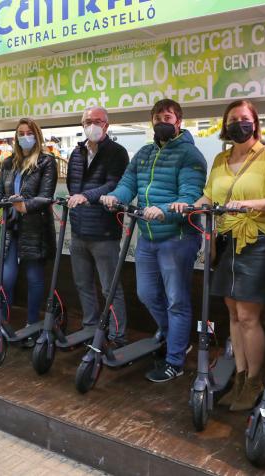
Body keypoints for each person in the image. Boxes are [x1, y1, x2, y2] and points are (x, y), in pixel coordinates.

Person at [173, 100, 265, 410]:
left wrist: (251, 204)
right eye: (233, 119)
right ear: (226, 125)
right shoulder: (220, 159)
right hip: (225, 241)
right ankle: (239, 377)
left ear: (254, 122)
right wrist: (189, 205)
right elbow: (210, 195)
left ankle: (255, 381)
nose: (239, 123)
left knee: (249, 317)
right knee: (233, 315)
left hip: (258, 241)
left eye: (244, 118)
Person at [100, 99, 207, 383]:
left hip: (177, 237)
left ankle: (175, 359)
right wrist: (116, 197)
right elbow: (128, 184)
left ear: (178, 121)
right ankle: (174, 336)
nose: (162, 120)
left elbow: (190, 195)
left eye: (168, 116)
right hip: (147, 235)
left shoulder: (190, 155)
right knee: (146, 293)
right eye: (157, 116)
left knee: (176, 301)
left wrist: (166, 209)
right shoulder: (145, 153)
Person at [0, 117, 58, 345]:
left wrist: (26, 205)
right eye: (21, 133)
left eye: (29, 132)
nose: (24, 136)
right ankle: (3, 324)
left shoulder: (46, 162)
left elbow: (46, 196)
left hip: (34, 228)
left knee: (33, 277)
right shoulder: (9, 163)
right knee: (6, 279)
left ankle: (32, 325)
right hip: (12, 226)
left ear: (36, 135)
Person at [66, 107, 129, 345]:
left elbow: (114, 184)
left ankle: (117, 334)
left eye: (97, 121)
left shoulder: (117, 153)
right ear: (82, 125)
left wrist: (86, 196)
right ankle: (90, 327)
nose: (92, 125)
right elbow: (74, 186)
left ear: (106, 125)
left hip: (104, 231)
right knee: (83, 284)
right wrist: (79, 197)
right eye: (88, 121)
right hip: (79, 228)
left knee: (110, 288)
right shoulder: (76, 152)